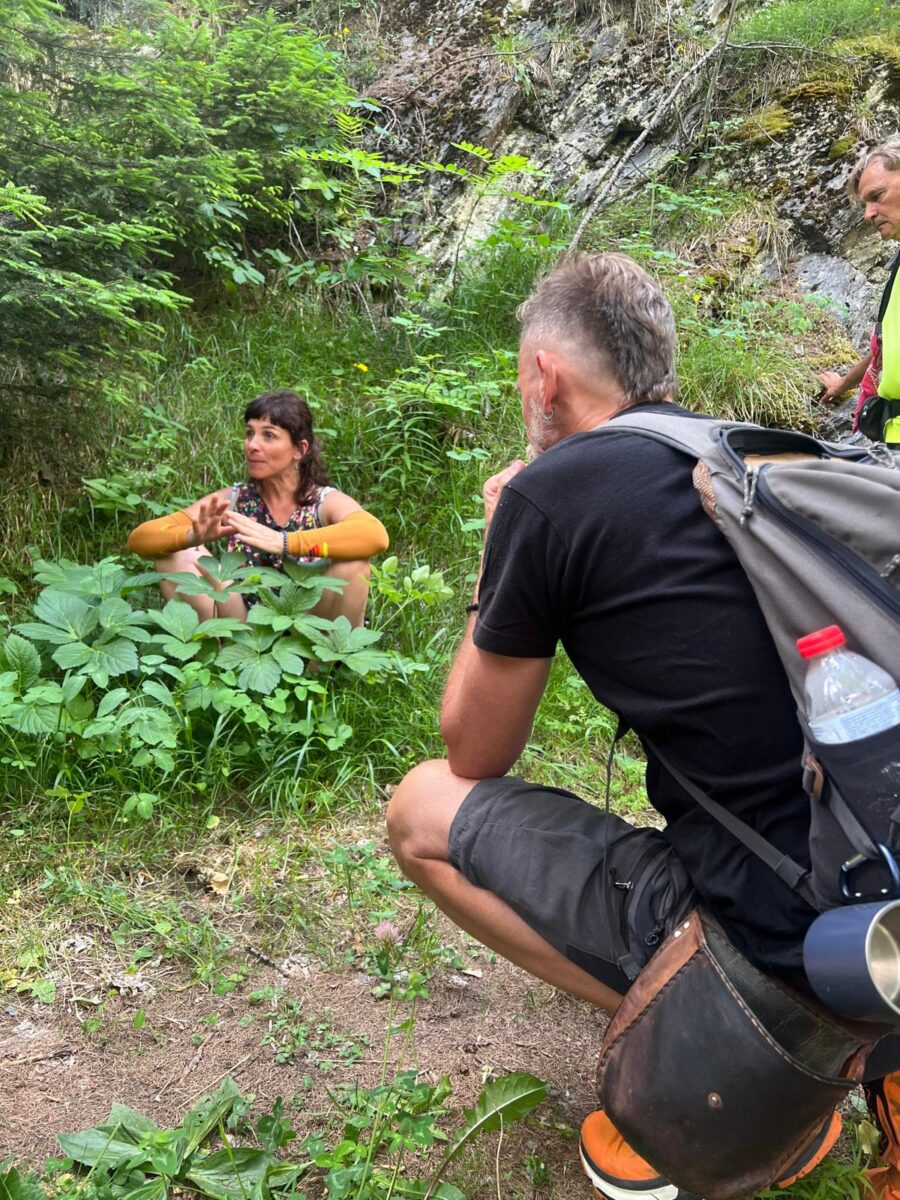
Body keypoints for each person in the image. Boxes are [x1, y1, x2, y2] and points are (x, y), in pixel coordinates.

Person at [386, 253, 900, 1199]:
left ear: (545, 377)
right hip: (881, 894)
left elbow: (475, 750)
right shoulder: (752, 459)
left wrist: (498, 550)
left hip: (802, 947)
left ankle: (752, 1050)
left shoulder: (554, 491)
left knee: (419, 810)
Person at [127, 389, 388, 625]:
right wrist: (189, 537)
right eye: (250, 433)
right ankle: (210, 651)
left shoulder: (322, 502)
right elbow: (140, 539)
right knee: (174, 553)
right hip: (243, 626)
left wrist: (285, 542)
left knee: (353, 564)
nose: (252, 445)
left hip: (307, 626)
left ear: (299, 450)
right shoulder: (235, 500)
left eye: (269, 435)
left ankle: (329, 662)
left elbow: (374, 536)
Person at [819, 136, 900, 443]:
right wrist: (843, 384)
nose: (869, 214)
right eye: (865, 204)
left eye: (877, 196)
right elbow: (884, 349)